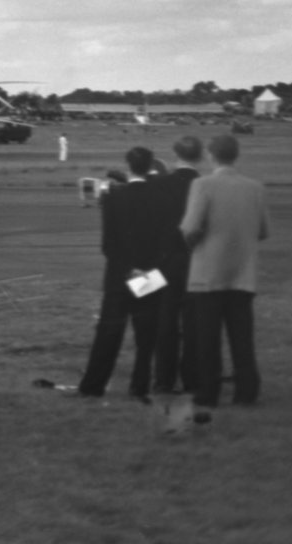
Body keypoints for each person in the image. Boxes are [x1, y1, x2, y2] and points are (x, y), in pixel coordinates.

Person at [76, 146, 176, 401]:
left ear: (128, 166)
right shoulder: (163, 199)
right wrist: (144, 269)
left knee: (109, 332)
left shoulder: (113, 198)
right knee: (146, 335)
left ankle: (93, 385)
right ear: (151, 166)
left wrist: (126, 269)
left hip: (119, 274)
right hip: (149, 272)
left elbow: (108, 245)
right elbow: (166, 243)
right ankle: (139, 386)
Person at [180, 132, 269, 413]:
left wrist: (194, 244)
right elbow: (263, 231)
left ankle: (208, 392)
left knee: (208, 339)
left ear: (211, 155)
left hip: (208, 274)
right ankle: (247, 391)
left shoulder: (202, 184)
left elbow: (190, 227)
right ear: (236, 154)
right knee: (242, 339)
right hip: (243, 274)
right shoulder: (255, 188)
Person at [152, 134, 203, 395]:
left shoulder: (161, 184)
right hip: (198, 262)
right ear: (201, 156)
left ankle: (163, 380)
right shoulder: (205, 185)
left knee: (166, 323)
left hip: (166, 262)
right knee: (194, 325)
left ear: (175, 155)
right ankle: (192, 380)